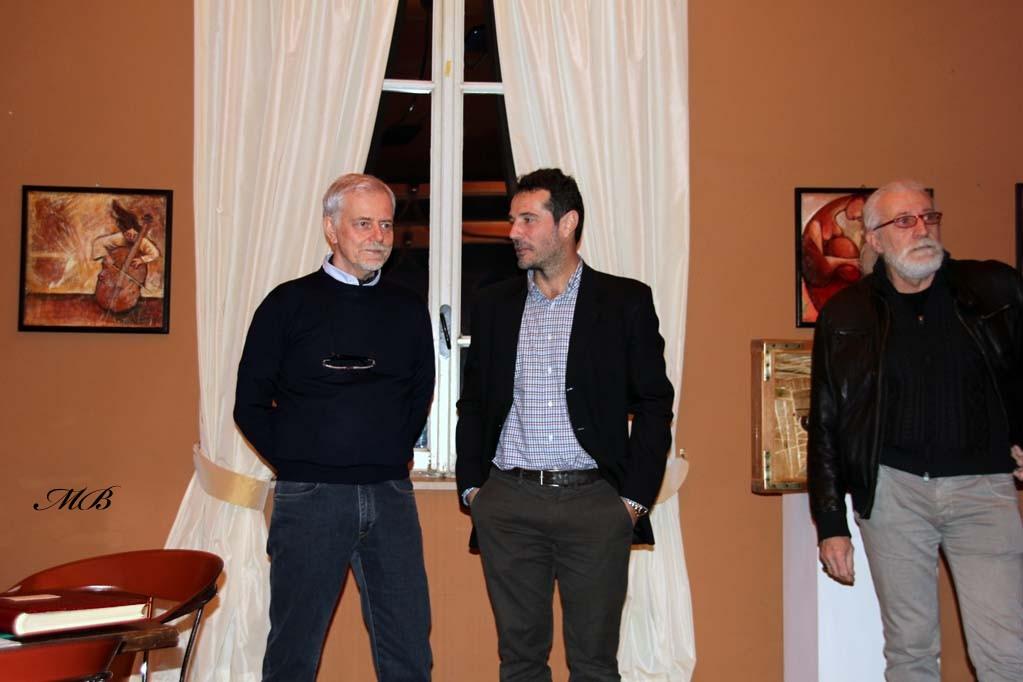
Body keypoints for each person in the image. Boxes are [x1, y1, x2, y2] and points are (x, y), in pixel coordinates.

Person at [456, 168, 674, 681]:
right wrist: (474, 491)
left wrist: (632, 501)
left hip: (595, 504)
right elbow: (475, 404)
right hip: (508, 503)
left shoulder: (624, 301)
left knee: (594, 664)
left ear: (568, 223)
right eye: (513, 220)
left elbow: (654, 403)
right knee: (520, 661)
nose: (514, 232)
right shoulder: (493, 304)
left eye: (528, 220)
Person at [808, 179, 1023, 681]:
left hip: (983, 491)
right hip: (894, 494)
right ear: (875, 240)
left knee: (1005, 652)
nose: (922, 229)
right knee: (910, 651)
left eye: (929, 217)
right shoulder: (846, 314)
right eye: (904, 221)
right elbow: (826, 421)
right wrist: (831, 523)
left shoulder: (994, 289)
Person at [234, 173, 435, 682]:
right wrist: (302, 461)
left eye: (385, 225)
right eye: (363, 224)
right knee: (293, 652)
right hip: (310, 499)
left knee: (410, 650)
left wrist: (388, 451)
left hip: (391, 495)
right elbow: (249, 404)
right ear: (331, 228)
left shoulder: (408, 309)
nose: (378, 237)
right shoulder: (286, 304)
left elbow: (420, 394)